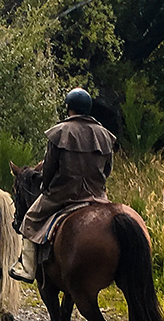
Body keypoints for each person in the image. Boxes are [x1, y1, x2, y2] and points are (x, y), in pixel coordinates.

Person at [9, 88, 115, 283]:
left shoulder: (59, 132)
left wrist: (46, 188)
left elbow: (49, 169)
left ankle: (27, 268)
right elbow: (108, 169)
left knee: (30, 219)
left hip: (63, 194)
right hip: (98, 196)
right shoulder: (105, 135)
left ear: (69, 108)